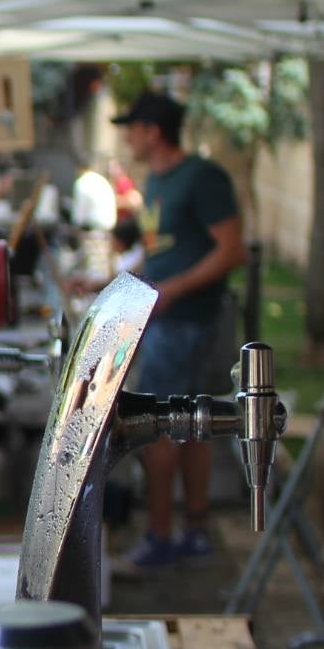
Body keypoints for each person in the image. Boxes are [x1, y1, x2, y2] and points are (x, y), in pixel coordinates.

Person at [109, 91, 246, 574]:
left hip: (189, 322)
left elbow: (232, 251)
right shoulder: (157, 180)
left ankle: (161, 535)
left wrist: (172, 291)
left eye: (132, 127)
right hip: (165, 318)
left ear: (153, 130)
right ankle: (194, 532)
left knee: (162, 429)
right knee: (192, 427)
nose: (127, 136)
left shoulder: (202, 177)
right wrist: (124, 282)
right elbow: (160, 251)